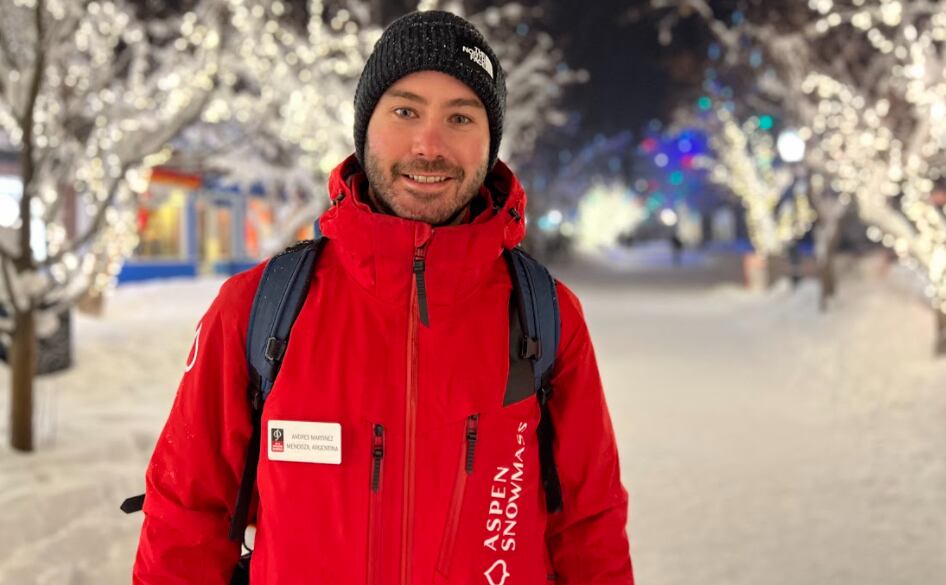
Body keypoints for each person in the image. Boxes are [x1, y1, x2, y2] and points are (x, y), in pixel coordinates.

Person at [134, 10, 633, 585]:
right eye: (405, 111)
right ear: (364, 126)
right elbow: (186, 516)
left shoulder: (546, 316)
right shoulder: (258, 309)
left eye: (461, 117)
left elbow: (588, 526)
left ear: (490, 143)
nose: (429, 144)